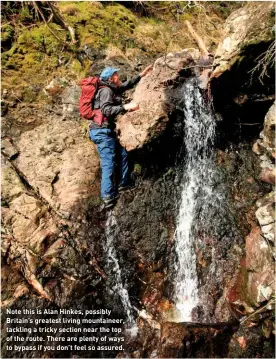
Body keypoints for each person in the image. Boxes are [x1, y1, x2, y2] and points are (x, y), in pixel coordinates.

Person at [90, 64, 153, 208]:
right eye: (116, 75)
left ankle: (124, 183)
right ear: (111, 78)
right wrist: (125, 107)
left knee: (124, 153)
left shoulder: (111, 88)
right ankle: (107, 196)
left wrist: (141, 75)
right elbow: (106, 110)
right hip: (102, 132)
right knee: (109, 163)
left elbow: (125, 86)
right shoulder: (106, 91)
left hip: (109, 131)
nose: (119, 76)